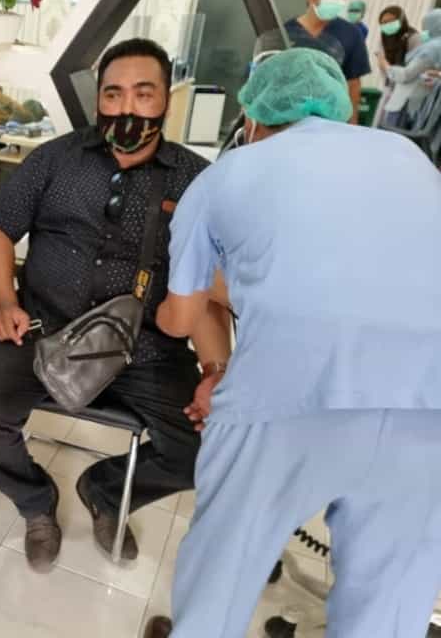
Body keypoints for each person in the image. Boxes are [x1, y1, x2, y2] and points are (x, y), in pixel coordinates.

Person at [143, 48, 441, 638]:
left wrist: (185, 308)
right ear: (339, 108)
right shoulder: (409, 158)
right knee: (385, 611)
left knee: (222, 576)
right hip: (427, 406)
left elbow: (180, 319)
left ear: (253, 115)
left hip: (285, 402)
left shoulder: (225, 175)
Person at [0, 38, 232, 573]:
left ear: (167, 100)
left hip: (148, 349)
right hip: (43, 332)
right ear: (98, 98)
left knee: (209, 444)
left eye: (143, 94)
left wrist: (216, 369)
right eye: (113, 94)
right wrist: (4, 303)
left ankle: (104, 489)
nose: (126, 108)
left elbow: (210, 289)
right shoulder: (55, 159)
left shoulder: (197, 181)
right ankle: (36, 502)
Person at [284, 0, 371, 122]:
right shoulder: (286, 32)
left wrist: (351, 124)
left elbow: (353, 84)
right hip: (286, 116)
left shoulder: (351, 34)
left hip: (328, 120)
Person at [379, 8, 441, 128]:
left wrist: (385, 66)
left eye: (425, 27)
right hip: (423, 105)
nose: (423, 31)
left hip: (407, 105)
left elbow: (406, 75)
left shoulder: (432, 48)